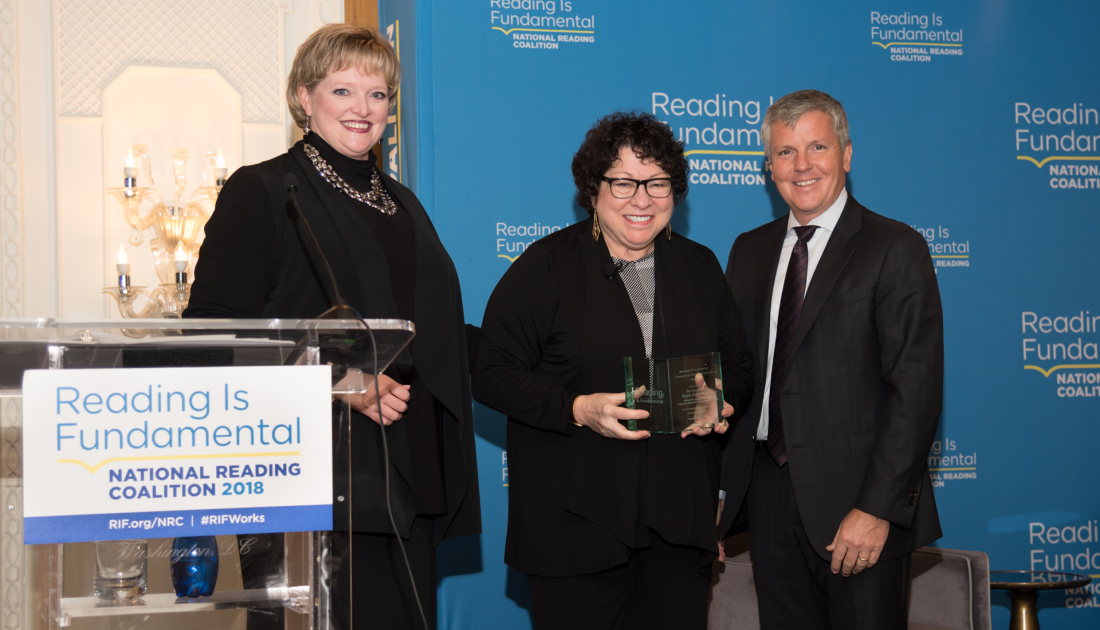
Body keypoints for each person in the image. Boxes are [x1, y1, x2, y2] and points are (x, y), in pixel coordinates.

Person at [184, 23, 481, 630]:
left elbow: (434, 330)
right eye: (343, 91)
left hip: (406, 478)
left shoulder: (402, 203)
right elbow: (212, 339)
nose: (363, 109)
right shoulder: (264, 191)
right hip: (307, 479)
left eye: (378, 95)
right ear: (304, 97)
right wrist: (334, 381)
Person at [474, 111, 753, 630]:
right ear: (593, 189)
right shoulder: (547, 265)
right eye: (624, 182)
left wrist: (721, 398)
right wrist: (576, 408)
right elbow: (490, 370)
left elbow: (737, 366)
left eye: (657, 183)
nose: (642, 199)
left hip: (676, 522)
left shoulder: (700, 267)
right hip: (574, 525)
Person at [718, 89, 943, 629]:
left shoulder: (894, 246)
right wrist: (718, 493)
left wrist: (877, 509)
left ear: (845, 154)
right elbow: (739, 379)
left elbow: (915, 390)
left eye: (817, 147)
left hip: (858, 504)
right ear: (768, 165)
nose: (802, 166)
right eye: (785, 152)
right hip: (768, 494)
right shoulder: (747, 249)